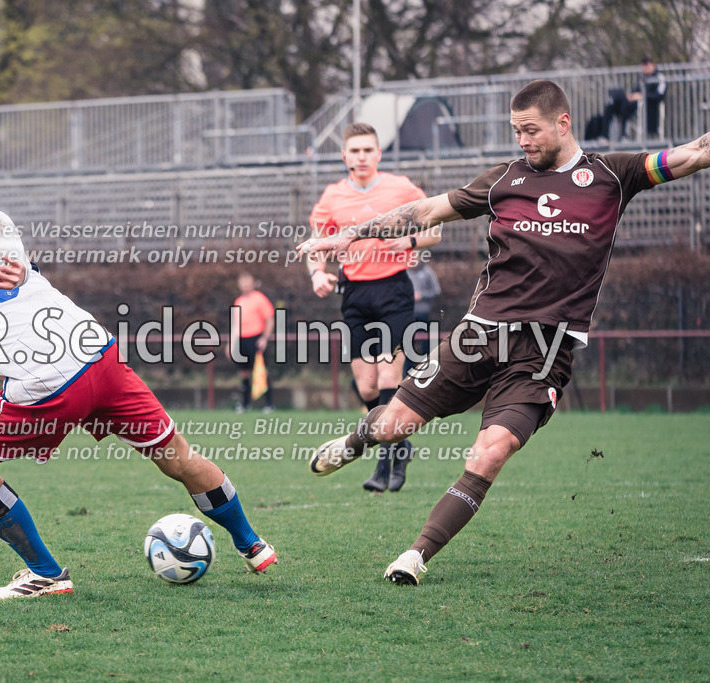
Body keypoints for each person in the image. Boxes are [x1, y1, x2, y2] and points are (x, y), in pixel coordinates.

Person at [299, 79, 710, 586]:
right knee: (390, 426)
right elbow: (426, 211)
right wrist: (352, 233)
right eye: (516, 130)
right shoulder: (504, 180)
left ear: (563, 123)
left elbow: (691, 156)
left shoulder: (614, 174)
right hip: (478, 334)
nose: (522, 140)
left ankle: (415, 555)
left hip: (545, 353)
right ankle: (361, 439)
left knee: (491, 451)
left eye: (530, 130)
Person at [0, 185, 276, 600]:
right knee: (177, 454)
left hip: (45, 384)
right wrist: (15, 261)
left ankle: (45, 573)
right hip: (99, 353)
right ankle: (252, 545)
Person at [307, 122, 440, 493]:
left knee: (387, 379)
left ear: (379, 154)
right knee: (366, 387)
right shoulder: (331, 196)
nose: (362, 156)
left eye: (369, 150)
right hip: (355, 296)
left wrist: (410, 241)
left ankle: (384, 468)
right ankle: (399, 444)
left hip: (394, 292)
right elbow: (317, 244)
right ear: (344, 156)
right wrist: (317, 273)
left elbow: (436, 228)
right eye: (355, 151)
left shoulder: (401, 188)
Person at [229, 272, 275, 413]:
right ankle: (245, 404)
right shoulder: (238, 301)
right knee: (244, 373)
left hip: (256, 339)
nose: (245, 286)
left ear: (253, 283)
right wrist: (231, 344)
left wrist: (264, 338)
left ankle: (268, 405)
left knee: (262, 372)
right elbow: (236, 325)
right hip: (242, 340)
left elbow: (269, 319)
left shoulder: (260, 299)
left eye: (248, 283)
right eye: (243, 283)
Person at [602, 57, 668, 141]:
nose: (645, 67)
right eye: (644, 65)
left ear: (653, 65)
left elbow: (659, 95)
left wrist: (642, 96)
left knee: (625, 106)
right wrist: (631, 96)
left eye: (647, 64)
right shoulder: (641, 78)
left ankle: (624, 135)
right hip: (635, 104)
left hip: (649, 106)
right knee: (611, 106)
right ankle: (605, 137)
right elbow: (636, 90)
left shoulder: (659, 77)